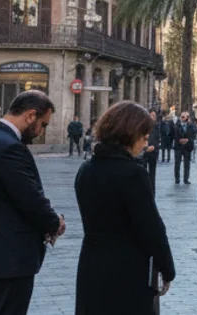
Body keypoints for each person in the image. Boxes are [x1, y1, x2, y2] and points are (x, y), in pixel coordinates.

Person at [0, 90, 64, 315]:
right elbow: (30, 199)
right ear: (30, 116)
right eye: (43, 124)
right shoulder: (10, 148)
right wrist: (54, 222)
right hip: (9, 259)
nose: (41, 132)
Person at [74, 101, 176, 314]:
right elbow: (151, 228)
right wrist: (167, 269)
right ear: (131, 135)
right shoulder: (133, 174)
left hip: (91, 265)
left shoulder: (86, 170)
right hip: (127, 269)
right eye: (144, 138)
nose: (144, 144)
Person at [173, 111, 197, 184]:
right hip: (178, 147)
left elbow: (194, 134)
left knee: (187, 164)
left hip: (187, 147)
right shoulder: (176, 125)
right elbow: (173, 134)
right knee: (177, 163)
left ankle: (186, 179)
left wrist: (188, 140)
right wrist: (179, 140)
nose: (182, 118)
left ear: (188, 117)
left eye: (184, 117)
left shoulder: (191, 125)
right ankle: (177, 179)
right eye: (181, 116)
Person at [143, 109, 161, 193]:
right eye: (150, 115)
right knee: (143, 173)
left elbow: (159, 139)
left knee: (152, 174)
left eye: (153, 115)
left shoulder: (157, 127)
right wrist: (145, 147)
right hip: (144, 152)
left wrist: (154, 146)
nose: (152, 117)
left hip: (154, 152)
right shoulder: (142, 126)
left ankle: (152, 192)